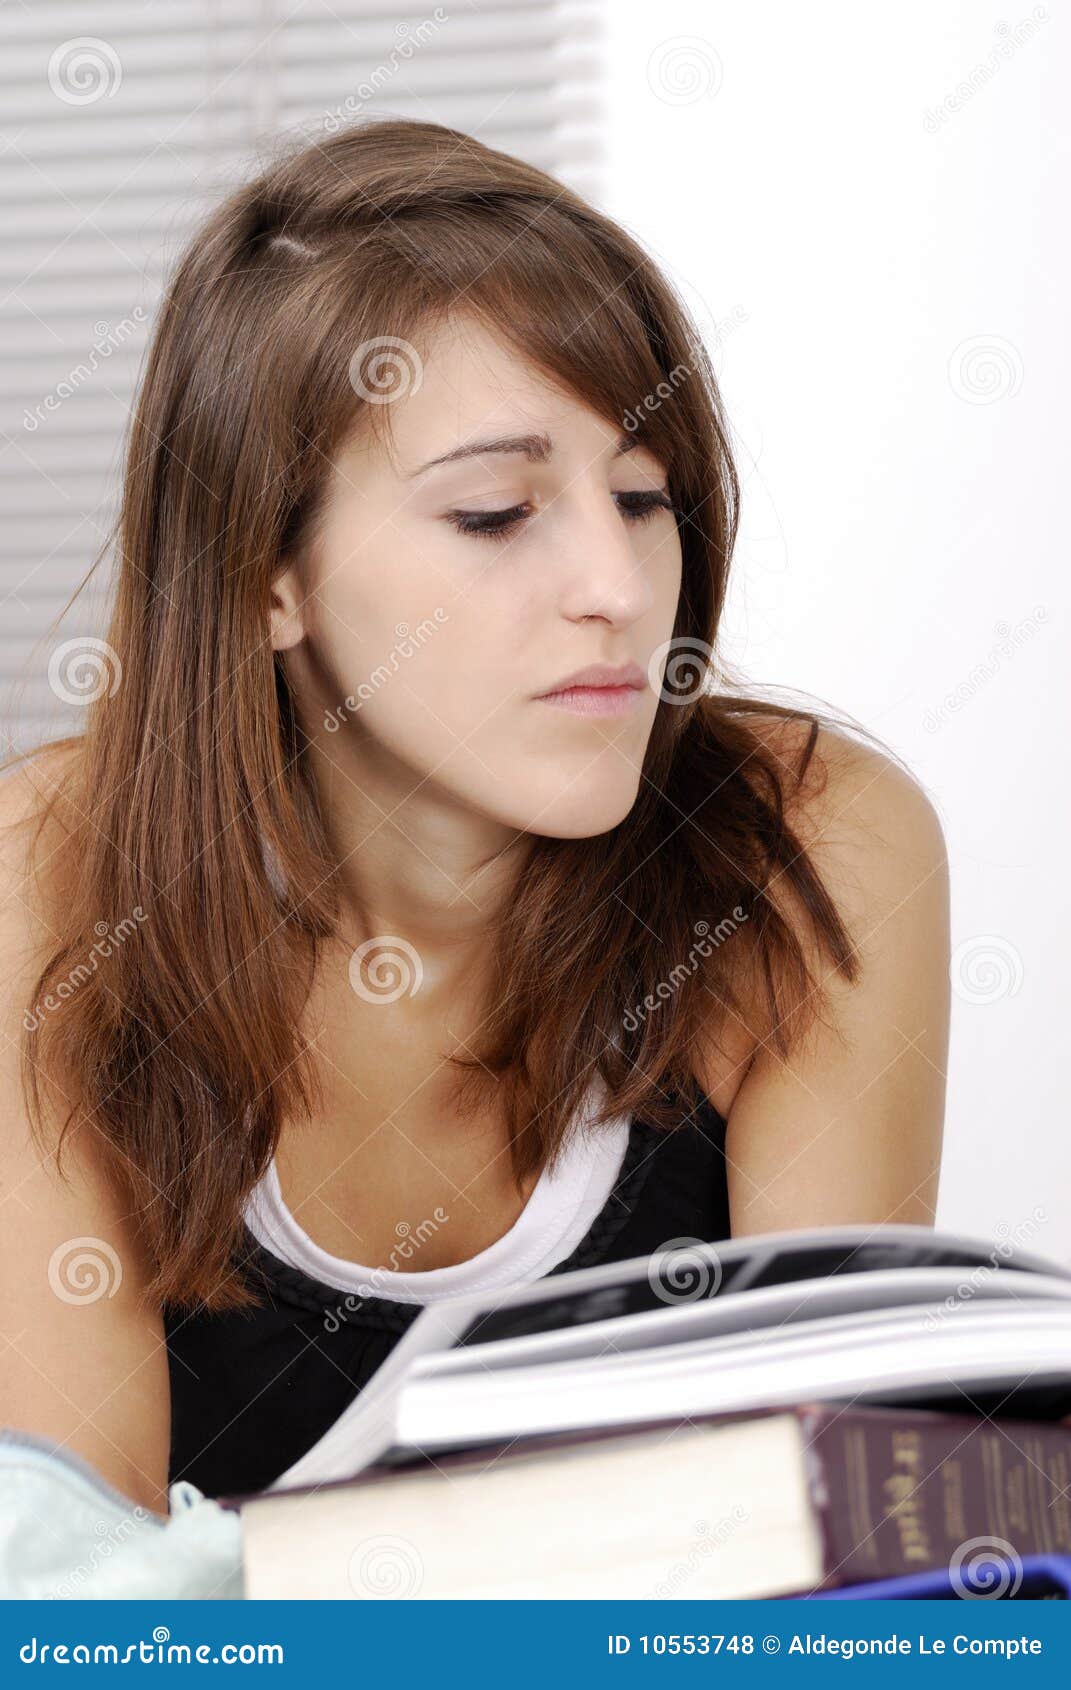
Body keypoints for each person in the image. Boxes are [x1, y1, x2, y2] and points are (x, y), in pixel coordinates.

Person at [0, 118, 949, 1517]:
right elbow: (74, 1591)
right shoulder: (51, 880)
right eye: (500, 513)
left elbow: (837, 1552)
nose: (616, 588)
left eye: (643, 499)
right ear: (268, 573)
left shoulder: (812, 848)